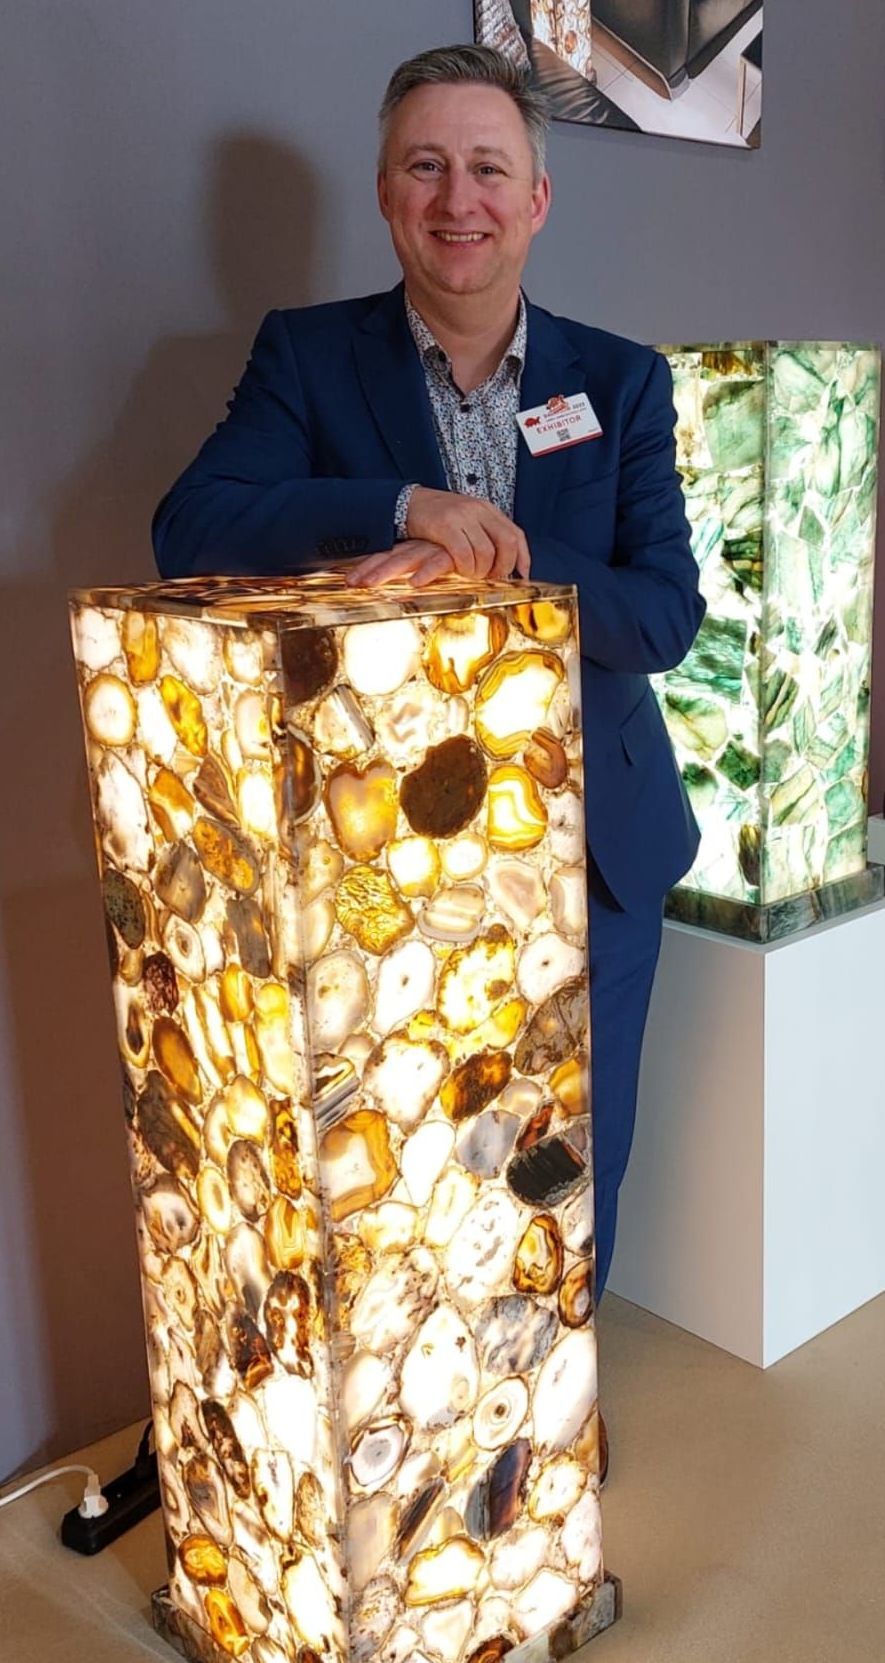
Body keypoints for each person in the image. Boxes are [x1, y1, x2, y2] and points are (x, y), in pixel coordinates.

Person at [153, 45, 705, 1435]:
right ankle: (439, 1460)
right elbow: (190, 528)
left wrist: (499, 569)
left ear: (537, 199)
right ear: (387, 191)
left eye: (488, 169)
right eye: (427, 165)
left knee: (571, 1167)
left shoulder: (621, 380)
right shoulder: (305, 355)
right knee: (415, 1180)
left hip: (594, 850)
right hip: (385, 864)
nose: (459, 198)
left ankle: (550, 1435)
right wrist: (400, 505)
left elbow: (662, 614)